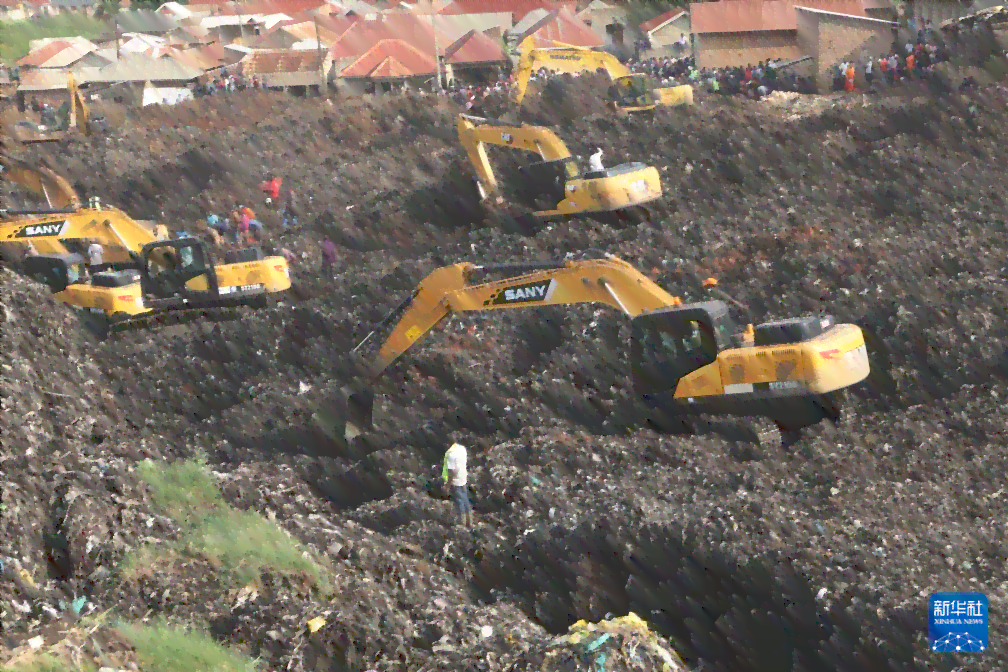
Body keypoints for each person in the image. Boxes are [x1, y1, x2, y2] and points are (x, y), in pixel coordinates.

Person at [442, 442, 471, 528]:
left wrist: (447, 485)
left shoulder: (451, 455)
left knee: (459, 502)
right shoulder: (462, 448)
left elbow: (452, 472)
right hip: (463, 478)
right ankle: (469, 521)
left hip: (456, 482)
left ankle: (462, 523)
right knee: (465, 499)